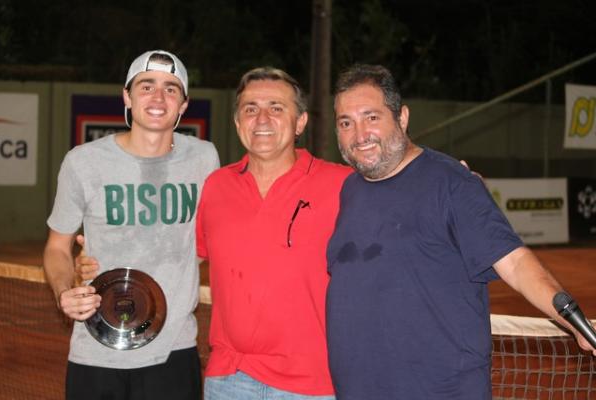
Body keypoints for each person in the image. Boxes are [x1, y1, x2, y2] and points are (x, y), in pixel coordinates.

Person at [325, 64, 596, 400]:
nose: (359, 134)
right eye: (346, 123)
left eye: (372, 117)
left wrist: (574, 321)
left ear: (402, 117)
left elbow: (513, 262)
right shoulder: (350, 190)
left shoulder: (452, 183)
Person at [43, 49, 219, 400]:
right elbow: (56, 247)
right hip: (96, 351)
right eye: (146, 86)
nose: (158, 97)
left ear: (184, 105)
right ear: (127, 95)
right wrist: (66, 290)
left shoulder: (204, 158)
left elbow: (209, 241)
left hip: (174, 349)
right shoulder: (83, 162)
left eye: (171, 89)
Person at [195, 67, 351, 399]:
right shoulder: (216, 186)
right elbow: (181, 260)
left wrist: (449, 178)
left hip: (311, 385)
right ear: (238, 123)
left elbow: (400, 207)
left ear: (300, 123)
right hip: (229, 379)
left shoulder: (342, 184)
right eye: (250, 109)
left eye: (276, 108)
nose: (262, 118)